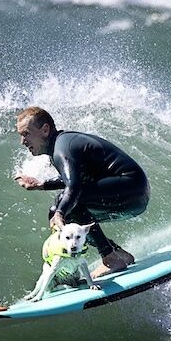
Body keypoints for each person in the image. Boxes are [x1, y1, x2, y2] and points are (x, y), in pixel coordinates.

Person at [13, 106, 149, 274]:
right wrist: (42, 185)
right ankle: (117, 254)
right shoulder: (61, 144)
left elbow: (74, 187)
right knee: (59, 210)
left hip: (132, 186)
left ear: (45, 130)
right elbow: (73, 180)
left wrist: (60, 213)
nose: (22, 141)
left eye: (26, 134)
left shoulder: (62, 148)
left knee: (65, 207)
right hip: (132, 193)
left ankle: (110, 258)